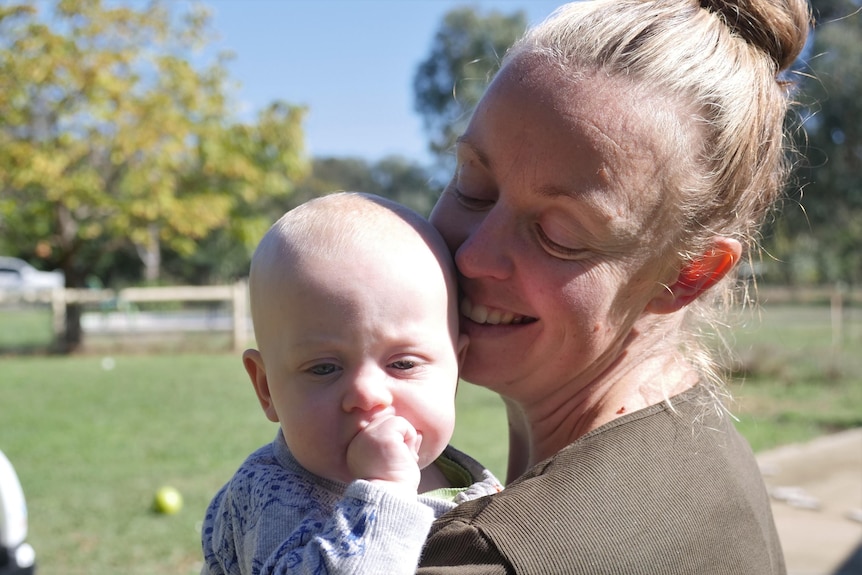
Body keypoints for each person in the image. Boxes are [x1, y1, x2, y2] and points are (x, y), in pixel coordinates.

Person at [418, 0, 811, 573]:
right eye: (473, 185)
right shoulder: (696, 452)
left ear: (689, 274)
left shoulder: (497, 554)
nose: (474, 255)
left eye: (558, 234)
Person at [200, 192, 502, 575]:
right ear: (266, 388)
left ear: (455, 371)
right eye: (324, 369)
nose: (367, 395)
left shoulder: (460, 477)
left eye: (403, 363)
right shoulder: (270, 499)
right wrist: (385, 492)